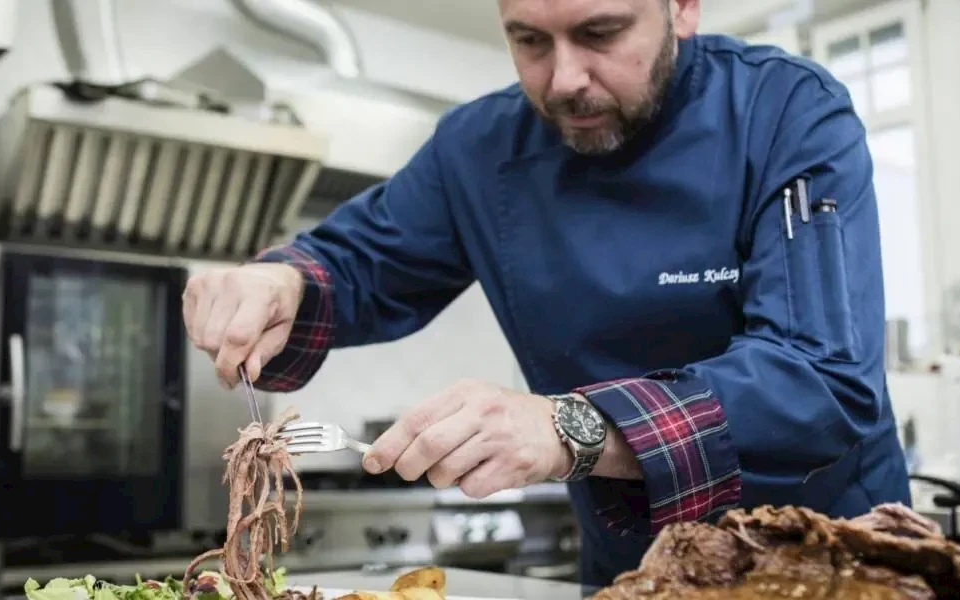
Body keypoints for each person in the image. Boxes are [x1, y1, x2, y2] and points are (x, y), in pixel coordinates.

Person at [181, 0, 911, 591]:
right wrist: (280, 283)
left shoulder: (786, 110)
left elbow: (820, 379)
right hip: (633, 572)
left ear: (682, 8)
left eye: (601, 33)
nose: (564, 79)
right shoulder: (478, 148)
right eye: (529, 40)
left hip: (831, 566)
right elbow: (360, 263)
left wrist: (569, 428)